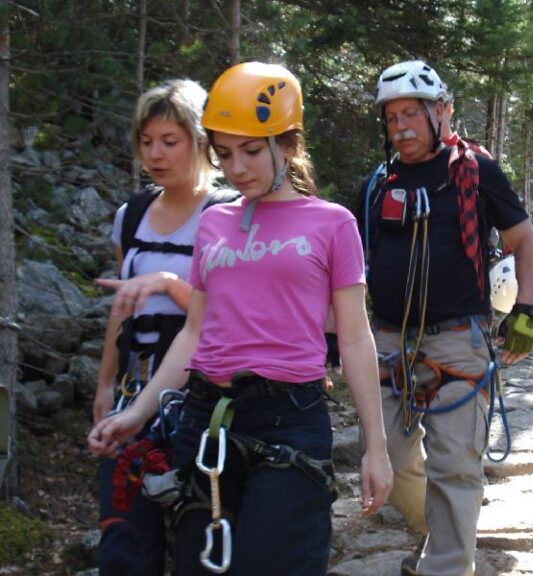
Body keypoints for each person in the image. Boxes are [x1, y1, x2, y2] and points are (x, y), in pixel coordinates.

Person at [88, 62, 393, 575]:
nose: (237, 168)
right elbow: (195, 333)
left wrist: (376, 448)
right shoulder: (216, 222)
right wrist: (135, 414)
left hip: (290, 419)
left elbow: (357, 338)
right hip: (205, 417)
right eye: (225, 153)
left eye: (251, 151)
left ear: (289, 145)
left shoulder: (332, 223)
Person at [359, 59, 533, 576]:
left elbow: (524, 242)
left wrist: (524, 312)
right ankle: (442, 533)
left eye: (411, 114)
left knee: (457, 466)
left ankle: (445, 564)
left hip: (461, 339)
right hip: (388, 344)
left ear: (442, 111)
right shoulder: (377, 184)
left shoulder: (475, 171)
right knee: (392, 458)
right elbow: (350, 268)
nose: (400, 126)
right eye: (391, 117)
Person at [92, 78, 230, 576]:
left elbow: (229, 313)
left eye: (169, 141)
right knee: (125, 537)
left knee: (201, 537)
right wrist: (106, 384)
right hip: (135, 390)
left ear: (199, 142)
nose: (156, 153)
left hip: (202, 400)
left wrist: (168, 282)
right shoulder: (130, 217)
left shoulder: (227, 215)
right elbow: (122, 307)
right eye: (147, 141)